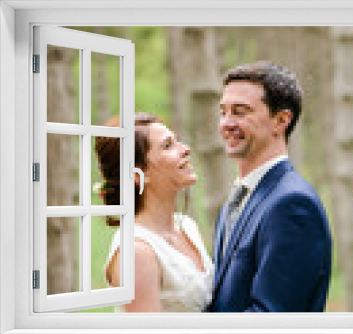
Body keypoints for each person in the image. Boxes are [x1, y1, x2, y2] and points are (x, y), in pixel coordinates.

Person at [207, 61, 333, 312]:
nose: (226, 123)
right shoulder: (237, 198)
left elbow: (273, 317)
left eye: (240, 112)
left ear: (281, 120)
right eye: (224, 112)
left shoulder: (293, 204)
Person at [95, 114, 213, 312]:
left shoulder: (187, 226)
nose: (185, 149)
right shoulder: (136, 252)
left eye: (177, 141)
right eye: (168, 146)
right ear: (139, 174)